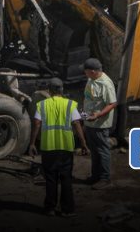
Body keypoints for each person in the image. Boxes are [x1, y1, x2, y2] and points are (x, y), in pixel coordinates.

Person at [29, 78, 88, 217]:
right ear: (62, 90)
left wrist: (32, 144)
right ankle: (67, 210)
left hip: (48, 148)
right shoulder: (69, 105)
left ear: (49, 90)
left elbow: (37, 124)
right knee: (66, 178)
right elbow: (77, 124)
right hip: (66, 148)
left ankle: (50, 208)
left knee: (50, 179)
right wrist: (84, 143)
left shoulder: (42, 105)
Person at [82, 58, 117, 190]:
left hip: (100, 124)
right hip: (89, 121)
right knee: (94, 150)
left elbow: (112, 103)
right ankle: (95, 176)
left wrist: (98, 115)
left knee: (102, 150)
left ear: (92, 71)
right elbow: (88, 97)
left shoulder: (106, 84)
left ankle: (105, 178)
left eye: (86, 72)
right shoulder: (91, 79)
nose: (85, 74)